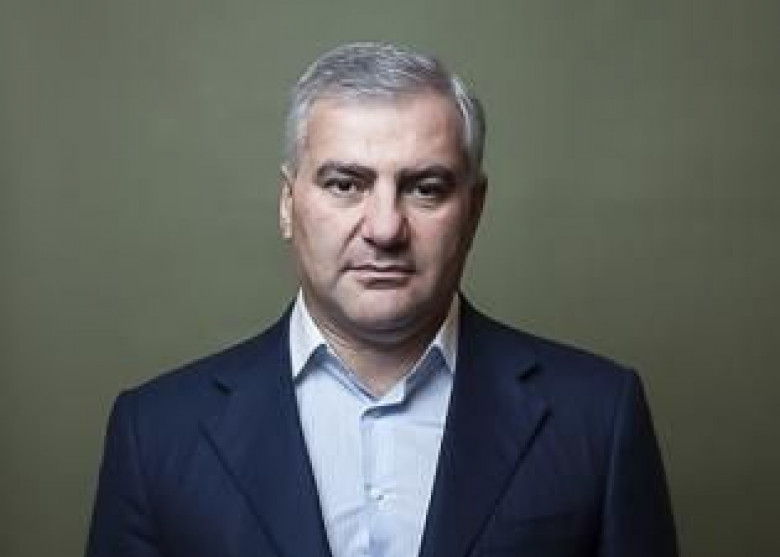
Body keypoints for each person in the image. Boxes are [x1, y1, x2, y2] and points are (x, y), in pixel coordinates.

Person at [86, 42, 678, 557]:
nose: (386, 229)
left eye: (426, 189)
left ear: (473, 211)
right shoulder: (154, 434)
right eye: (346, 184)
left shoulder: (599, 417)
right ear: (288, 204)